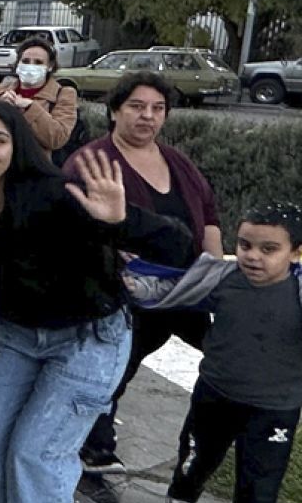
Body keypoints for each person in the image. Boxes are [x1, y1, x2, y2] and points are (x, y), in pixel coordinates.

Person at [0, 100, 192, 503]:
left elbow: (178, 244)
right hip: (13, 335)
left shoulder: (54, 195)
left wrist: (120, 222)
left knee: (37, 450)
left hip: (88, 337)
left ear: (18, 146)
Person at [127, 204, 302, 503]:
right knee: (196, 455)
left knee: (261, 476)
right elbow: (175, 286)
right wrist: (133, 282)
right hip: (215, 392)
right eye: (246, 245)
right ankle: (181, 497)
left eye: (269, 249)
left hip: (276, 407)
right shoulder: (224, 278)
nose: (253, 256)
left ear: (297, 253)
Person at [72, 72, 222, 474]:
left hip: (185, 287)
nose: (147, 117)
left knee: (225, 352)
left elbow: (207, 214)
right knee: (117, 368)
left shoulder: (178, 162)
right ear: (115, 110)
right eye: (137, 107)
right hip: (127, 292)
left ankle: (209, 447)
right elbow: (78, 226)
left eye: (157, 109)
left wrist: (216, 273)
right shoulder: (94, 161)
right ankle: (94, 446)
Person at [0, 36, 79, 153]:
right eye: (25, 61)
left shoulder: (63, 94)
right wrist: (0, 108)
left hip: (34, 167)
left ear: (50, 66)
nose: (31, 66)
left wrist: (30, 107)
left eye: (38, 62)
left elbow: (57, 138)